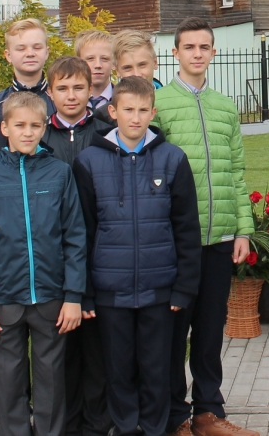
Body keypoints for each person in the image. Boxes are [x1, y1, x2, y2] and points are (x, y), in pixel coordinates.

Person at [74, 77, 202, 436]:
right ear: (112, 111)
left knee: (156, 367)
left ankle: (155, 427)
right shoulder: (88, 162)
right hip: (110, 290)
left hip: (158, 289)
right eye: (128, 109)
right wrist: (86, 292)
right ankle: (126, 426)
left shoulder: (172, 159)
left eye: (143, 110)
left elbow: (186, 228)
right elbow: (83, 231)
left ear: (153, 112)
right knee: (118, 367)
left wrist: (183, 287)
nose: (135, 117)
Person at [155, 18, 258, 436]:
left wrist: (243, 230)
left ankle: (208, 411)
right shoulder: (160, 105)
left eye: (204, 47)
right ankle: (174, 415)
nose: (197, 54)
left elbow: (236, 172)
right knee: (174, 332)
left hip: (220, 238)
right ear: (175, 53)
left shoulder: (225, 107)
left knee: (210, 331)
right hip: (177, 242)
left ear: (213, 52)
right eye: (189, 47)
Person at [0, 92, 87, 436]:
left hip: (51, 297)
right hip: (4, 298)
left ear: (45, 128)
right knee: (8, 380)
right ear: (5, 128)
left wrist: (73, 296)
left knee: (51, 379)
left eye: (35, 125)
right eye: (20, 125)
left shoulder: (59, 173)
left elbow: (75, 237)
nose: (28, 132)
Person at [43, 55, 113, 436]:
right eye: (63, 88)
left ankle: (97, 424)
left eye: (78, 88)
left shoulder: (106, 133)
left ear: (91, 90)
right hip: (54, 257)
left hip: (100, 252)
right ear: (50, 92)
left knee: (97, 350)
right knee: (62, 351)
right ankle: (67, 424)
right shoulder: (39, 136)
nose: (71, 95)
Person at [0, 18, 56, 144]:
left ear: (46, 52)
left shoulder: (61, 101)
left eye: (37, 47)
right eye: (21, 49)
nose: (30, 53)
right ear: (8, 55)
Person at [74, 29, 116, 124]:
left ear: (114, 63)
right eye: (90, 59)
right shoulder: (69, 101)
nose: (98, 65)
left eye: (104, 59)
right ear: (78, 63)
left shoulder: (123, 101)